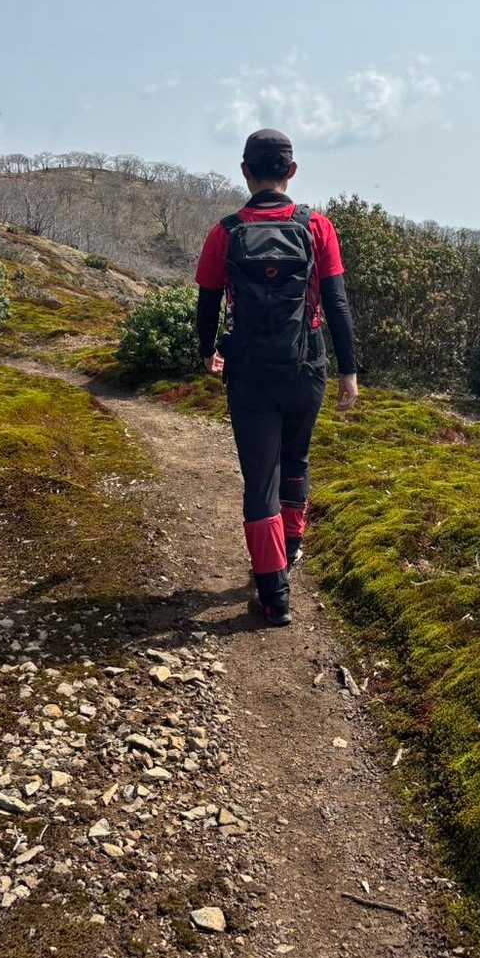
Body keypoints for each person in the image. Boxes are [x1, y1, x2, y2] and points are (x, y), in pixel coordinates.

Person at [195, 128, 358, 626]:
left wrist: (207, 352)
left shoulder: (225, 232)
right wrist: (349, 371)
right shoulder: (317, 227)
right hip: (306, 367)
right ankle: (291, 546)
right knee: (296, 458)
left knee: (259, 478)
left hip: (249, 372)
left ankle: (273, 594)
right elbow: (336, 303)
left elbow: (207, 302)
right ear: (292, 170)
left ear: (245, 171)